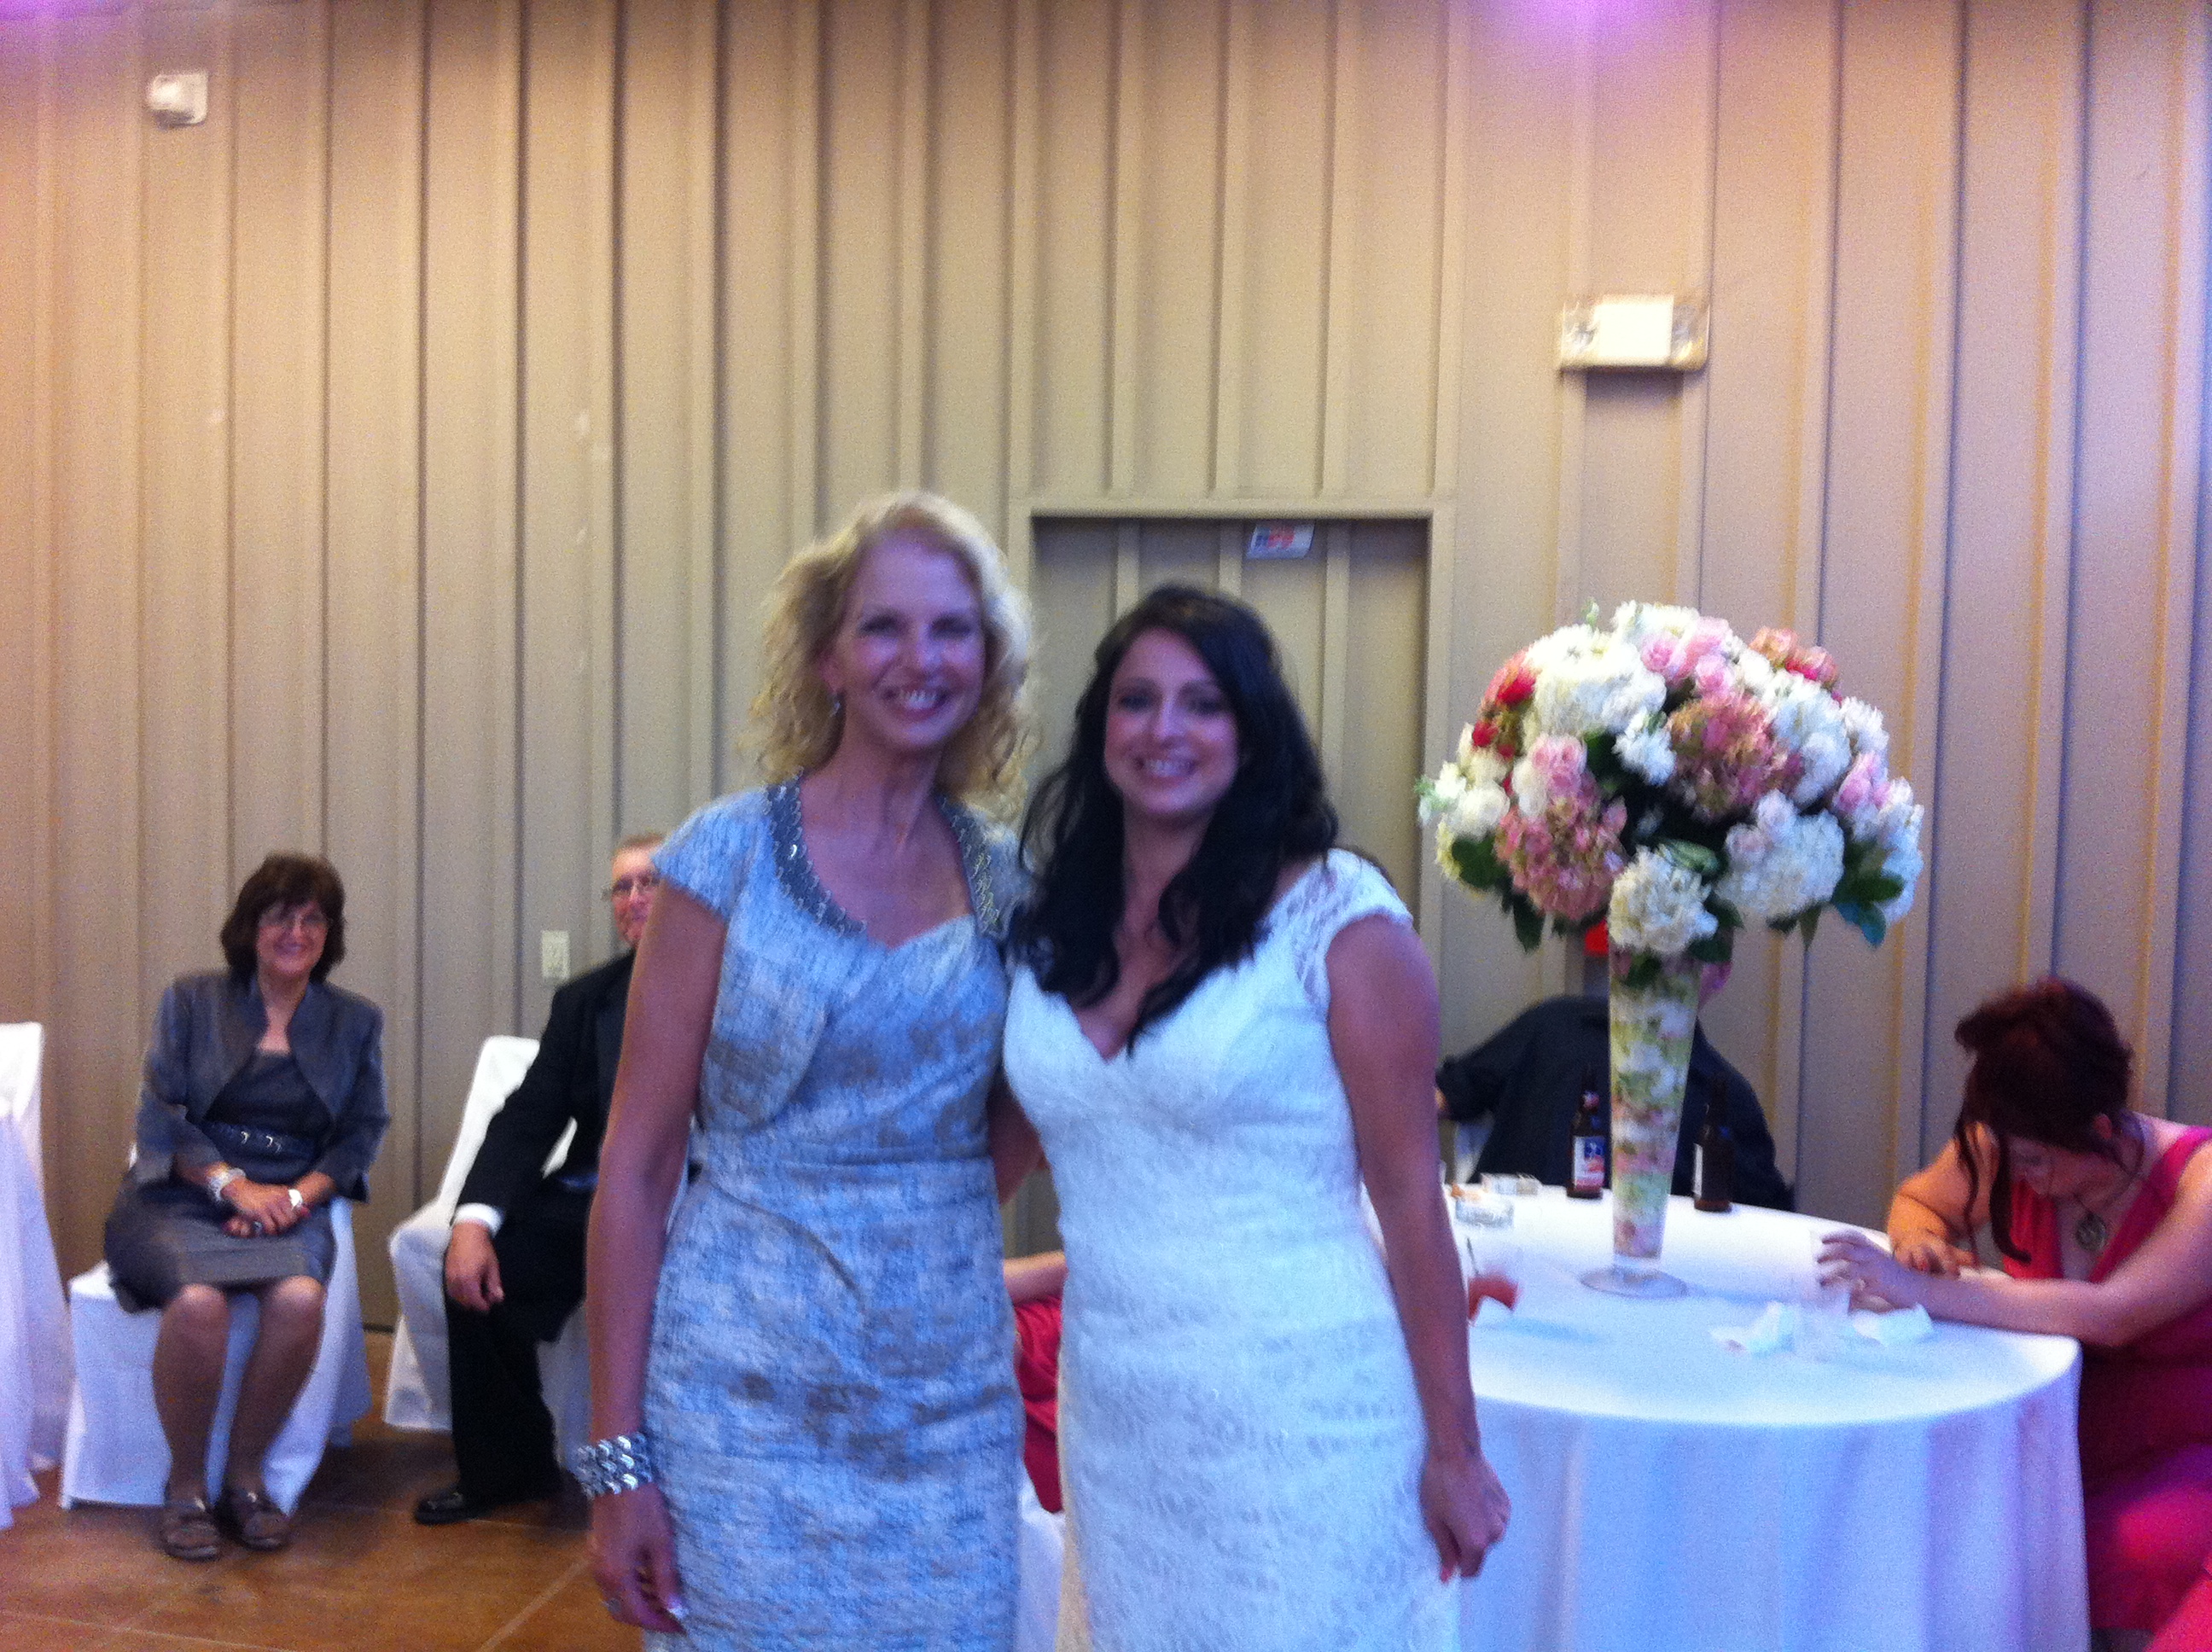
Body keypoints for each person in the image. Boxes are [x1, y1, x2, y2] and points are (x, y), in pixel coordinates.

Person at [999, 585, 1511, 1649]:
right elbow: (999, 1155)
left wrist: (1455, 1449)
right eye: (1138, 700)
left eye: (1204, 703)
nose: (1166, 729)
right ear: (1100, 726)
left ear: (1253, 730)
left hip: (1306, 1411)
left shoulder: (1339, 922)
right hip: (1121, 1416)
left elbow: (1412, 1203)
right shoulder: (1052, 926)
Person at [582, 492, 1034, 1647]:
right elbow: (636, 1165)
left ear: (986, 661)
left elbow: (1023, 1117)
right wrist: (618, 1457)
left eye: (953, 629)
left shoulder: (1008, 880)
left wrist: (913, 1219)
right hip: (738, 1401)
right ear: (828, 657)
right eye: (884, 627)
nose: (921, 659)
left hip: (944, 1411)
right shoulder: (722, 856)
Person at [1821, 978, 2212, 1651]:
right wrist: (1920, 1245)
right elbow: (1921, 1201)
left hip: (2180, 1455)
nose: (2018, 1172)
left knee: (2126, 1548)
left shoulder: (2199, 1180)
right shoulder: (2010, 1144)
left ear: (2099, 1129)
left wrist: (1917, 1291)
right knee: (1910, 1529)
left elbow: (2113, 1314)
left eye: (2034, 1160)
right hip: (2041, 1440)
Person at [102, 853, 386, 1561]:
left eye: (314, 919)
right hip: (180, 1193)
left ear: (330, 933)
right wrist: (234, 1187)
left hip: (291, 1200)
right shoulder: (192, 999)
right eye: (280, 916)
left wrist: (290, 1198)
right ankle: (185, 1486)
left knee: (299, 1299)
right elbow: (161, 1116)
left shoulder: (355, 1021)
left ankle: (246, 1479)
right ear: (250, 926)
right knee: (199, 1304)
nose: (297, 932)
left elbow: (360, 1134)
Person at [413, 834, 662, 1526]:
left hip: (701, 1203)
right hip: (596, 1197)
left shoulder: (738, 991)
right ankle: (510, 1470)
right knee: (479, 1273)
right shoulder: (586, 1001)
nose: (635, 898)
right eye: (622, 887)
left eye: (651, 881)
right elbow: (530, 1115)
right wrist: (474, 1220)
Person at [1437, 980, 1794, 1210]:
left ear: (1719, 974)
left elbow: (1768, 1219)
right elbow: (1444, 1095)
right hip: (1512, 1248)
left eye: (1686, 957)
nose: (1664, 969)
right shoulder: (1553, 1024)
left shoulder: (1725, 1094)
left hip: (1643, 1282)